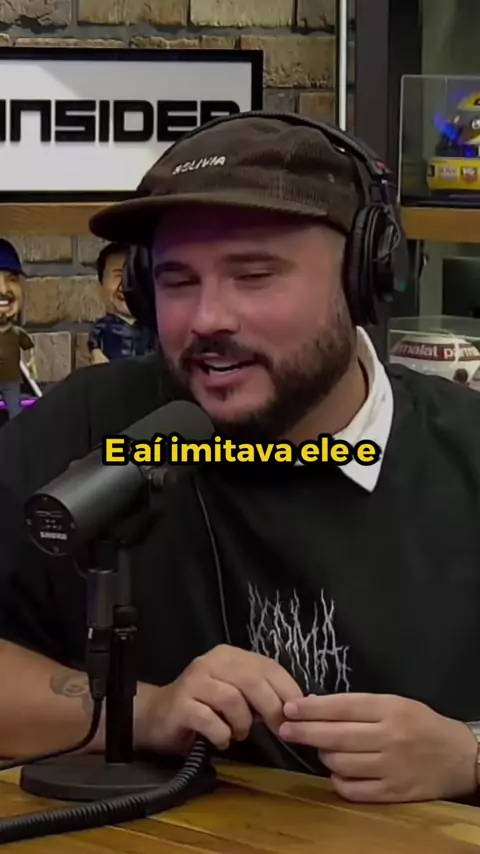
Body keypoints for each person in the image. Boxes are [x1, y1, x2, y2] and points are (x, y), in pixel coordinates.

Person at [2, 113, 480, 807]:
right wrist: (146, 712)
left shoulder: (466, 451)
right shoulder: (89, 427)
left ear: (361, 280)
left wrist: (469, 754)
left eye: (254, 276)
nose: (207, 320)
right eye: (177, 281)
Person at [88, 242, 157, 365]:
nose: (124, 286)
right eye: (118, 275)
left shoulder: (152, 327)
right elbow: (94, 345)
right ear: (101, 283)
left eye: (133, 276)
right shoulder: (103, 326)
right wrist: (97, 354)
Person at [0, 239, 36, 421]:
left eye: (12, 279)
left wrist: (32, 365)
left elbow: (30, 354)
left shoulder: (16, 334)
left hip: (11, 381)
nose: (3, 289)